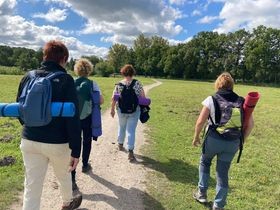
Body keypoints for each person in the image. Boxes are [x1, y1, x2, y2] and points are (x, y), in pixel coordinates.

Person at [16, 40, 82, 210]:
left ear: (44, 56)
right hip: (58, 143)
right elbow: (73, 118)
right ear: (64, 59)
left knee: (32, 186)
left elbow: (20, 110)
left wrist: (31, 126)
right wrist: (76, 149)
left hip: (29, 140)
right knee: (63, 176)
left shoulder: (28, 77)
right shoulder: (66, 80)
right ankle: (67, 203)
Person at [192, 72, 254, 210]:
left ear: (218, 84)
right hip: (233, 142)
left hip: (213, 139)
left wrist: (196, 136)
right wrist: (241, 140)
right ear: (232, 85)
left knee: (205, 161)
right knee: (223, 172)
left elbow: (201, 121)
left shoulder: (211, 99)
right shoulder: (241, 101)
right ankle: (219, 205)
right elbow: (250, 125)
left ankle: (201, 193)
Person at [71, 58, 104, 191]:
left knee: (74, 144)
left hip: (73, 118)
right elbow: (100, 100)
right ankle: (85, 164)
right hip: (88, 118)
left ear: (77, 70)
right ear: (89, 70)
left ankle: (72, 178)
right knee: (87, 141)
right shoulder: (93, 83)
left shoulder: (71, 82)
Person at [110, 64, 145, 162]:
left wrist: (112, 109)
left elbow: (114, 98)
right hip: (134, 111)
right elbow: (143, 98)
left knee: (122, 127)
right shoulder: (137, 83)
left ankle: (120, 144)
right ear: (132, 73)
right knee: (131, 130)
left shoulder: (119, 84)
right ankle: (130, 151)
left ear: (123, 73)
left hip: (121, 110)